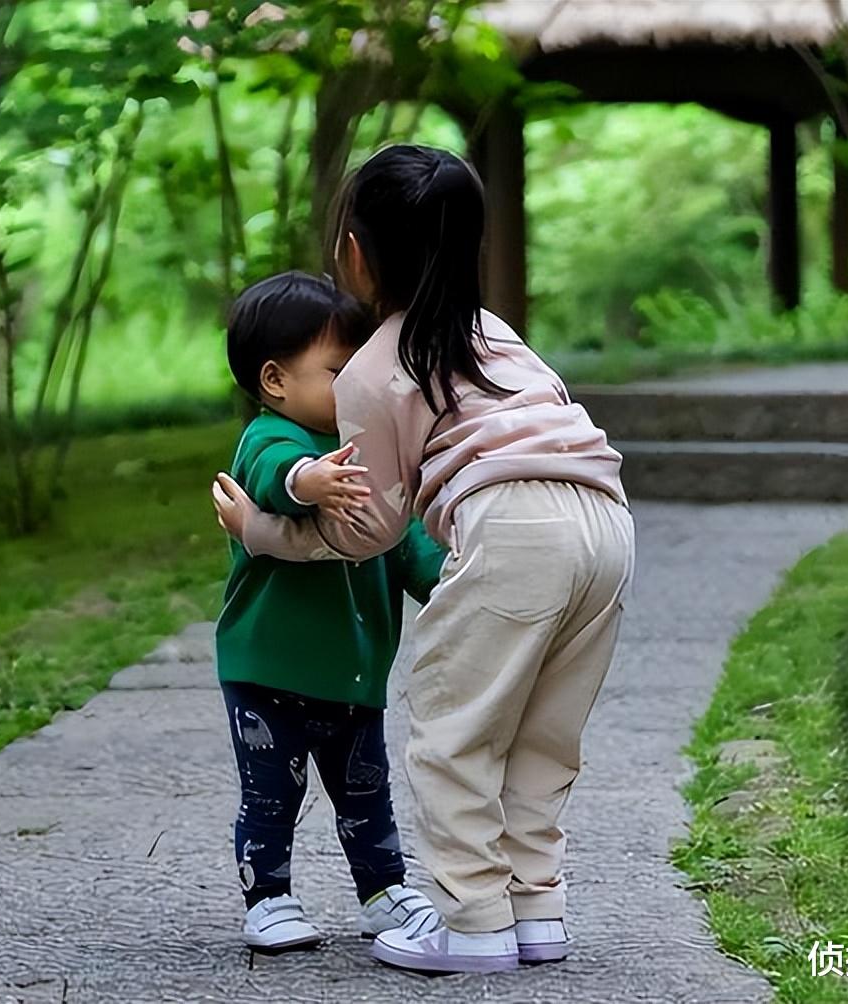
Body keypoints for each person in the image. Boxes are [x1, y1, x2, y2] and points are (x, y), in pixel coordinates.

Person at [211, 146, 635, 974]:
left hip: (514, 530)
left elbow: (366, 529)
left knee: (455, 733)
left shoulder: (374, 369)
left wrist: (264, 533)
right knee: (543, 734)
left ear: (356, 255)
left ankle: (473, 921)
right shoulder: (495, 334)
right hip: (607, 524)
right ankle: (534, 910)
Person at [216, 271, 444, 953]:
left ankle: (383, 890)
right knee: (271, 794)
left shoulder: (367, 447)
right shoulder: (269, 437)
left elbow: (403, 537)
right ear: (275, 380)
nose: (354, 386)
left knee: (366, 793)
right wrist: (308, 481)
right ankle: (268, 898)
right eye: (338, 372)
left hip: (352, 668)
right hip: (270, 666)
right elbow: (271, 482)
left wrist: (451, 580)